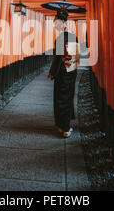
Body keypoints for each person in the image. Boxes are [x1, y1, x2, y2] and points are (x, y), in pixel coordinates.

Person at [47, 9, 80, 138]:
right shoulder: (72, 35)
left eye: (56, 22)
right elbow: (76, 56)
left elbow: (58, 57)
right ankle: (63, 125)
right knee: (66, 98)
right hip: (70, 71)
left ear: (63, 22)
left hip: (63, 72)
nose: (55, 24)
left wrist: (53, 72)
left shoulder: (63, 37)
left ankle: (64, 127)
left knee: (62, 99)